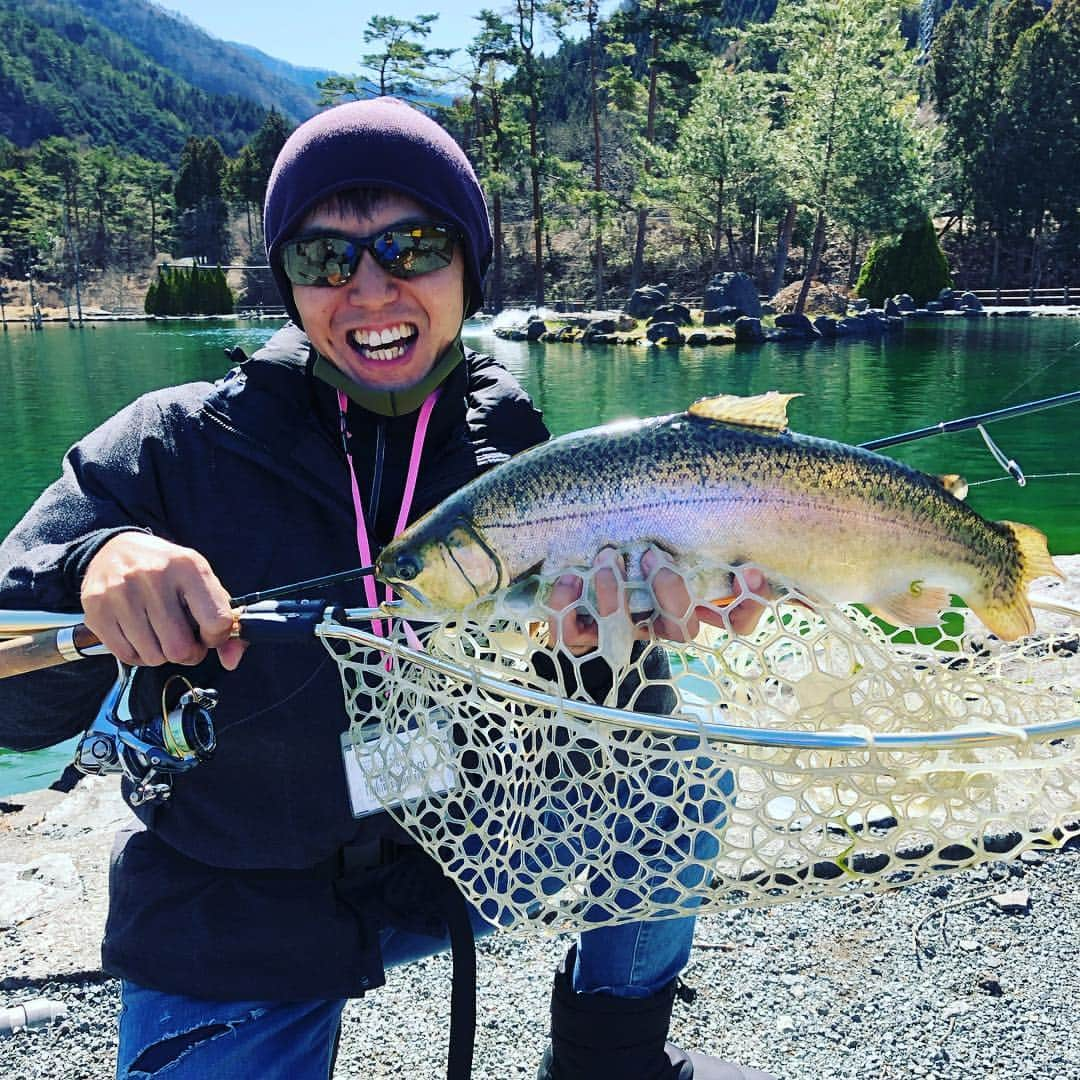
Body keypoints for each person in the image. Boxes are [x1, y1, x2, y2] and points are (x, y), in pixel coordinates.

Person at [0, 98, 777, 1080]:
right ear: (289, 282)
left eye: (413, 247)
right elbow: (11, 709)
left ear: (469, 267)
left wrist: (625, 643)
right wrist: (94, 565)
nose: (369, 288)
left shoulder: (510, 449)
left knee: (680, 749)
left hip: (451, 835)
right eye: (326, 259)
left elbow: (584, 703)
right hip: (234, 896)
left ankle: (609, 1057)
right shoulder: (169, 446)